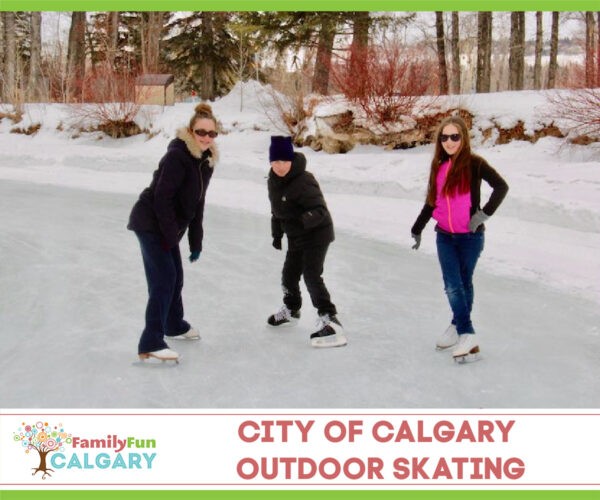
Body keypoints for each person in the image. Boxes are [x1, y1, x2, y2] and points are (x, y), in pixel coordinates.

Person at [410, 115, 508, 359]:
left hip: (470, 237)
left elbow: (501, 187)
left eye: (455, 136)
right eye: (445, 137)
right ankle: (463, 331)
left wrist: (482, 216)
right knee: (452, 285)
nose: (450, 142)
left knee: (463, 283)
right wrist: (417, 227)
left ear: (463, 138)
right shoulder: (439, 167)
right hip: (444, 236)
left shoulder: (475, 163)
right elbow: (432, 202)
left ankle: (461, 329)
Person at [127, 103, 219, 362]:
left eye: (212, 134)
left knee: (175, 277)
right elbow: (161, 199)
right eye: (201, 132)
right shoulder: (178, 156)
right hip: (150, 223)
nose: (206, 137)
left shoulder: (206, 162)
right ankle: (151, 342)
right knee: (164, 281)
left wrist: (195, 240)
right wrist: (170, 237)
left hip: (167, 228)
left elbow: (197, 203)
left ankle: (173, 324)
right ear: (191, 131)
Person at [266, 136, 347, 348]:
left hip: (316, 234)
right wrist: (277, 234)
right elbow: (276, 211)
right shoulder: (273, 181)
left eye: (284, 161)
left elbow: (320, 211)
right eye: (275, 161)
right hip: (296, 236)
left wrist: (299, 222)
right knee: (289, 275)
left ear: (291, 160)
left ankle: (330, 319)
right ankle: (291, 311)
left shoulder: (304, 180)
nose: (280, 166)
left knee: (311, 275)